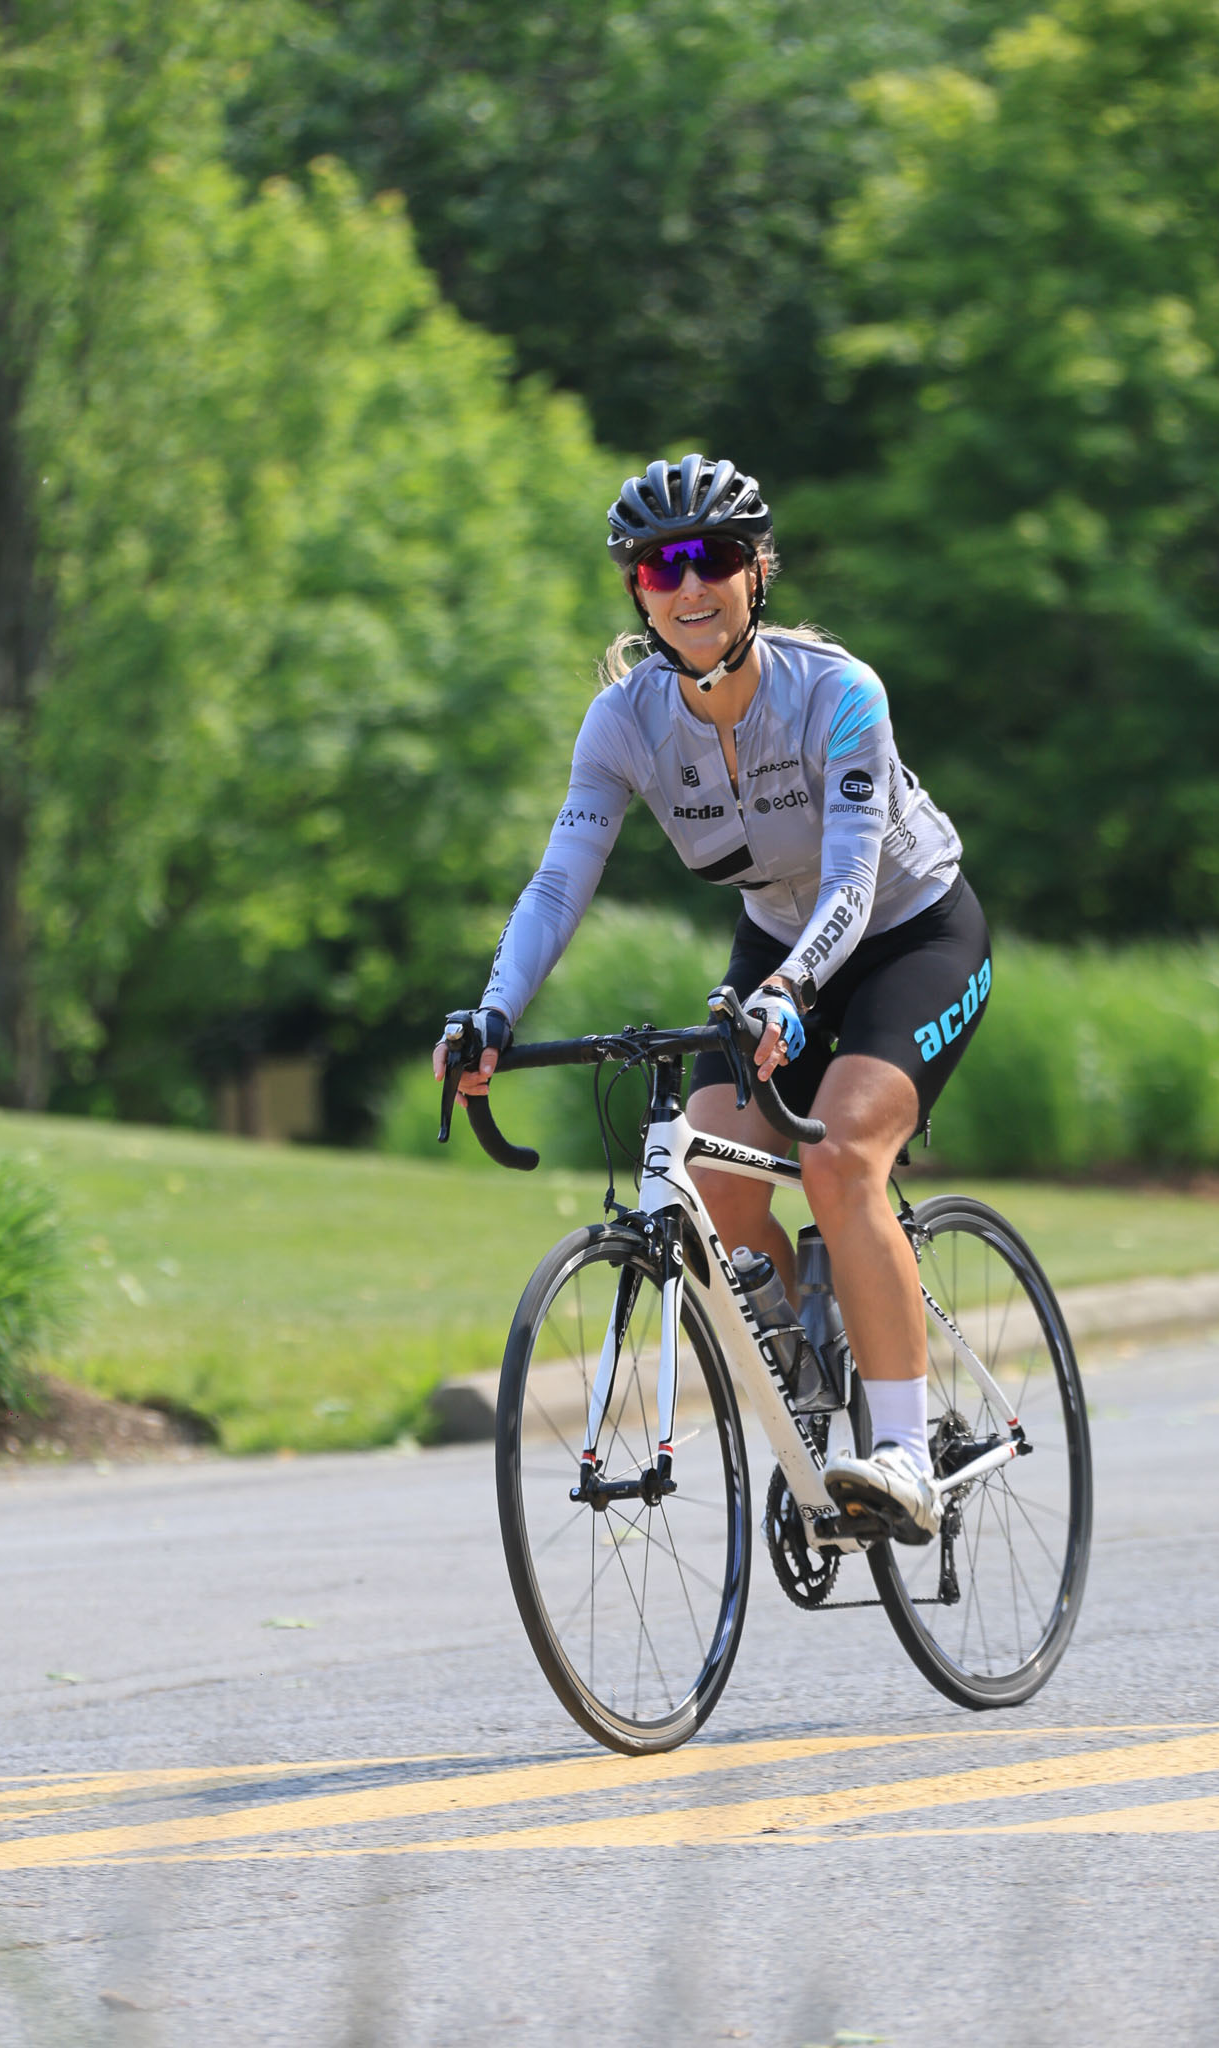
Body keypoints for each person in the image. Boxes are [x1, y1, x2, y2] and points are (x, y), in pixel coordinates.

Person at [433, 453, 992, 1544]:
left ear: (757, 572)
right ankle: (808, 1401)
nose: (690, 585)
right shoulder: (624, 722)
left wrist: (791, 992)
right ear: (637, 591)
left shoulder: (838, 692)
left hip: (909, 930)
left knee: (839, 1160)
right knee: (711, 1176)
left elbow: (852, 878)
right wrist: (492, 1013)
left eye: (715, 558)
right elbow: (558, 883)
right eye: (661, 566)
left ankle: (905, 1453)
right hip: (777, 942)